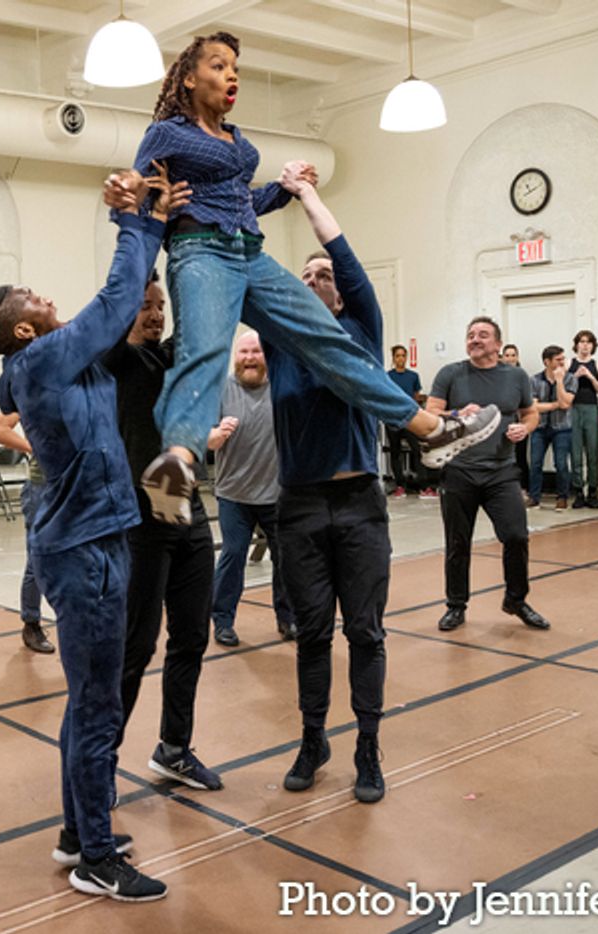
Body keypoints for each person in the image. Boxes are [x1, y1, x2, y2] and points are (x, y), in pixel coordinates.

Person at [128, 31, 498, 526]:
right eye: (218, 66)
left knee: (330, 341)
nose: (231, 74)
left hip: (250, 251)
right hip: (200, 251)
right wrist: (130, 194)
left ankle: (428, 429)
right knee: (204, 351)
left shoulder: (236, 140)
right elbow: (139, 192)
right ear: (190, 78)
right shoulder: (168, 133)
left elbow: (244, 205)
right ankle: (178, 460)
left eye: (235, 67)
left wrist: (283, 189)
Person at [0, 167, 184, 902]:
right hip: (81, 550)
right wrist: (134, 221)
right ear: (24, 329)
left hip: (106, 533)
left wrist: (149, 222)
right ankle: (94, 858)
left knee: (93, 699)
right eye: (36, 301)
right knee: (97, 703)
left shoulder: (37, 361)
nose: (51, 300)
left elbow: (8, 382)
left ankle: (76, 832)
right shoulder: (46, 356)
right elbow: (118, 301)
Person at [263, 177, 389, 804]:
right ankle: (314, 739)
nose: (315, 280)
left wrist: (305, 196)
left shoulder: (361, 330)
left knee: (364, 631)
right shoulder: (282, 344)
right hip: (301, 504)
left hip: (361, 502)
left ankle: (368, 745)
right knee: (312, 633)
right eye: (304, 276)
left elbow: (342, 255)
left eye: (323, 274)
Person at [103, 271, 222, 792]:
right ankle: (100, 765)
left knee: (192, 636)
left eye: (159, 307)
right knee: (136, 647)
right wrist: (146, 229)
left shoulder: (169, 359)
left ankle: (173, 748)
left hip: (188, 511)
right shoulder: (118, 363)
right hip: (141, 519)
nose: (154, 315)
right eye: (144, 307)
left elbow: (199, 326)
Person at [428, 317, 550, 633]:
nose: (475, 339)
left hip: (502, 473)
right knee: (458, 542)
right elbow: (429, 414)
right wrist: (455, 414)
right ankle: (456, 606)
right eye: (470, 335)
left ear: (497, 344)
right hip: (459, 472)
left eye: (483, 335)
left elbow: (531, 412)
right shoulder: (450, 374)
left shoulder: (516, 376)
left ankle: (516, 600)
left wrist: (527, 427)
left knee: (516, 535)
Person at [207, 331, 295, 647]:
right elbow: (201, 430)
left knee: (285, 558)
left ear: (266, 355)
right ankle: (222, 622)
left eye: (256, 351)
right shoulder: (220, 389)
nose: (249, 358)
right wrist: (212, 436)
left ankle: (288, 618)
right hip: (234, 493)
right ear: (235, 356)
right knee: (232, 555)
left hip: (277, 493)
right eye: (243, 351)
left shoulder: (282, 387)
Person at [0, 412, 54, 654]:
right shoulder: (26, 388)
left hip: (73, 484)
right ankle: (31, 623)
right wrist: (34, 448)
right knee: (37, 559)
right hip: (42, 487)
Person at [527, 345, 576, 510]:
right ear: (547, 362)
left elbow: (566, 403)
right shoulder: (534, 380)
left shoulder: (570, 379)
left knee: (561, 463)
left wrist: (560, 381)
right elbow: (533, 407)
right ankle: (534, 497)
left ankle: (562, 497)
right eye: (558, 360)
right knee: (535, 463)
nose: (563, 362)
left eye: (563, 359)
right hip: (539, 427)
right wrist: (555, 404)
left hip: (562, 427)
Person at [567, 329, 598, 508]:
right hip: (573, 409)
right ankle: (578, 491)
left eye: (588, 342)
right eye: (581, 341)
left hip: (591, 409)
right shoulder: (569, 363)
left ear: (593, 346)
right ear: (576, 345)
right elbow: (563, 387)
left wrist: (589, 376)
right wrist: (575, 376)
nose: (585, 345)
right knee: (575, 453)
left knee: (592, 451)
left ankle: (593, 491)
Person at [383, 344, 424, 496]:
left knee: (417, 450)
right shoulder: (387, 376)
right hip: (393, 419)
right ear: (393, 358)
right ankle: (399, 485)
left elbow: (416, 397)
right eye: (397, 356)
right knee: (395, 452)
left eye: (403, 355)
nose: (401, 359)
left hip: (410, 419)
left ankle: (423, 486)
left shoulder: (413, 376)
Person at [502, 343, 529, 501]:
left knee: (520, 456)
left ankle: (523, 488)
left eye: (513, 355)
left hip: (519, 420)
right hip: (502, 422)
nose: (510, 358)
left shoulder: (521, 376)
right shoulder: (497, 375)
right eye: (507, 355)